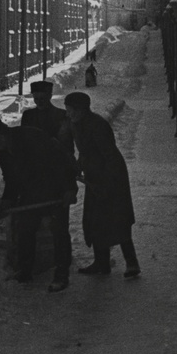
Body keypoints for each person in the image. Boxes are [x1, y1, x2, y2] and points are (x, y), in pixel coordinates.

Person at [0, 114, 78, 293]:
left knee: (59, 231)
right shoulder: (2, 149)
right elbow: (10, 177)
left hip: (55, 189)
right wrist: (7, 201)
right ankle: (25, 271)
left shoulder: (33, 136)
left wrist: (70, 189)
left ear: (2, 135)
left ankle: (61, 275)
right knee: (25, 228)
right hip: (30, 192)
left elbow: (62, 161)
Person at [63, 91, 141, 278]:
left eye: (71, 110)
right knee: (95, 220)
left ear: (81, 110)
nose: (68, 114)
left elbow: (109, 155)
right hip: (94, 176)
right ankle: (101, 262)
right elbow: (85, 152)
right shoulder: (76, 124)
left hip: (112, 176)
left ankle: (132, 263)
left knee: (118, 220)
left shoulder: (98, 125)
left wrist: (107, 184)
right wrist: (80, 166)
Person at [20, 80, 72, 156]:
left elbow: (68, 146)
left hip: (55, 159)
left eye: (42, 98)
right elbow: (23, 140)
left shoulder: (62, 115)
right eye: (36, 98)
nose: (39, 102)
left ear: (50, 96)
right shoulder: (28, 115)